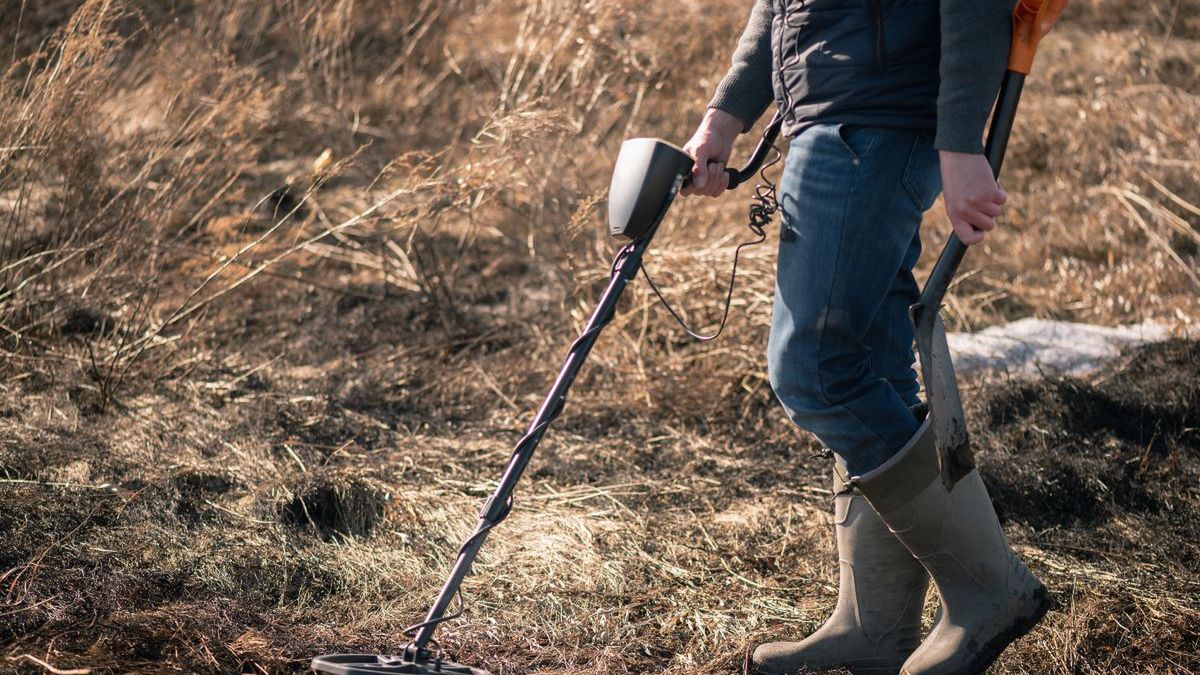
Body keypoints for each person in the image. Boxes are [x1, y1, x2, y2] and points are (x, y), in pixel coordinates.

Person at [681, 1, 1051, 673]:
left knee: (816, 369)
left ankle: (991, 585)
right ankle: (875, 624)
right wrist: (726, 111)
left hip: (874, 119)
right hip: (836, 115)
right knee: (870, 368)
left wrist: (963, 140)